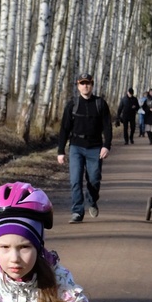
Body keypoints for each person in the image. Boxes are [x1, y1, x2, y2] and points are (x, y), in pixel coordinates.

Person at [56, 72, 112, 221]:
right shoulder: (72, 105)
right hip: (76, 147)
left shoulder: (100, 104)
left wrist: (106, 146)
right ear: (78, 86)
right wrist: (61, 151)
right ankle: (77, 211)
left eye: (88, 83)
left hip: (95, 148)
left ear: (92, 85)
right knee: (75, 180)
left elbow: (107, 127)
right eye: (82, 83)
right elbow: (64, 129)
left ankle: (92, 200)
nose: (85, 86)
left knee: (94, 179)